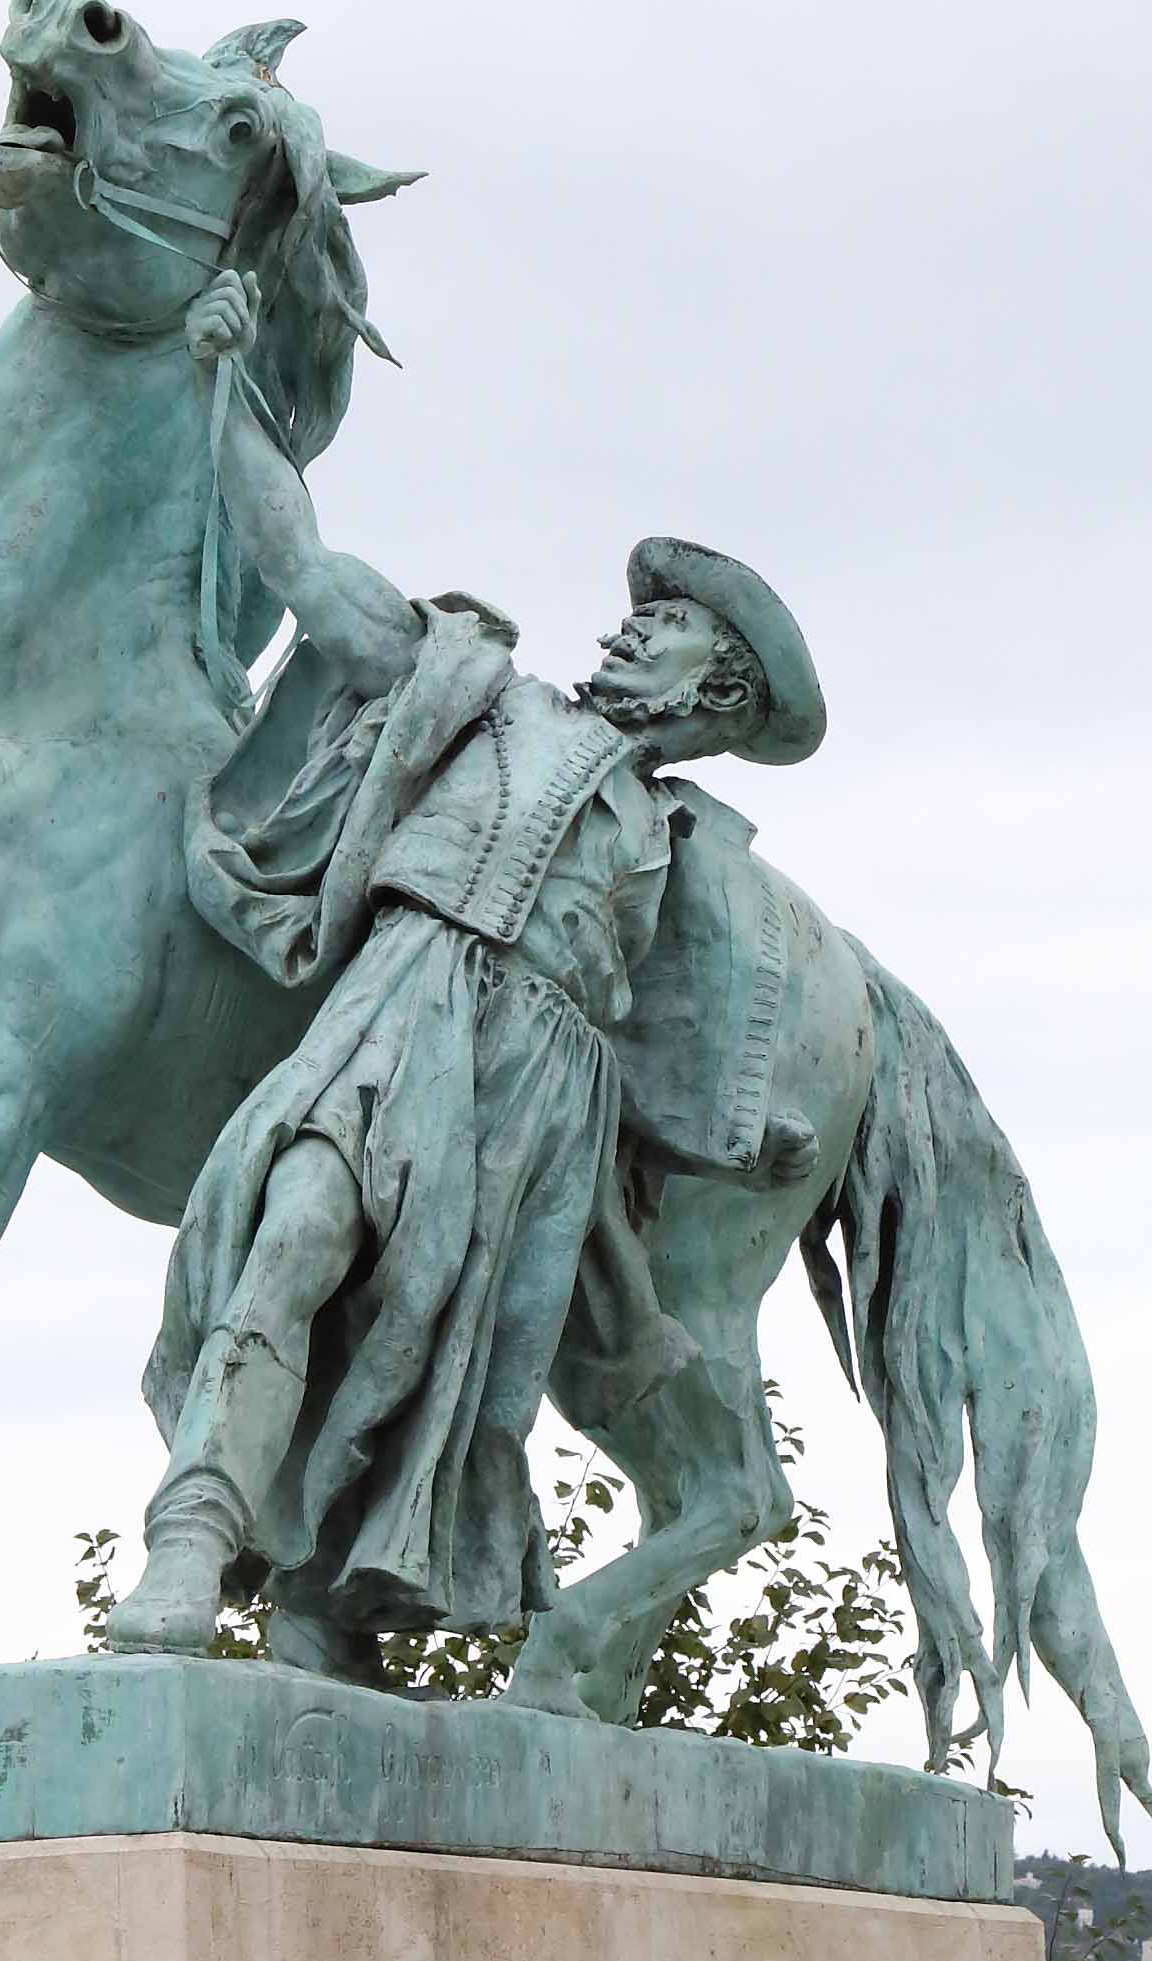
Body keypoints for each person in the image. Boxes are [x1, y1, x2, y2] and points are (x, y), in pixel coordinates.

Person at [108, 263, 824, 1675]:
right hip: (404, 1002)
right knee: (294, 1229)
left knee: (421, 1357)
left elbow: (645, 1056)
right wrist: (230, 393)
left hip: (534, 1091)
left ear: (719, 694)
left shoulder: (675, 853)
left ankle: (322, 1616)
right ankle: (190, 1547)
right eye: (641, 614)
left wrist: (743, 1143)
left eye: (669, 624)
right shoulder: (474, 688)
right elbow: (308, 575)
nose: (632, 624)